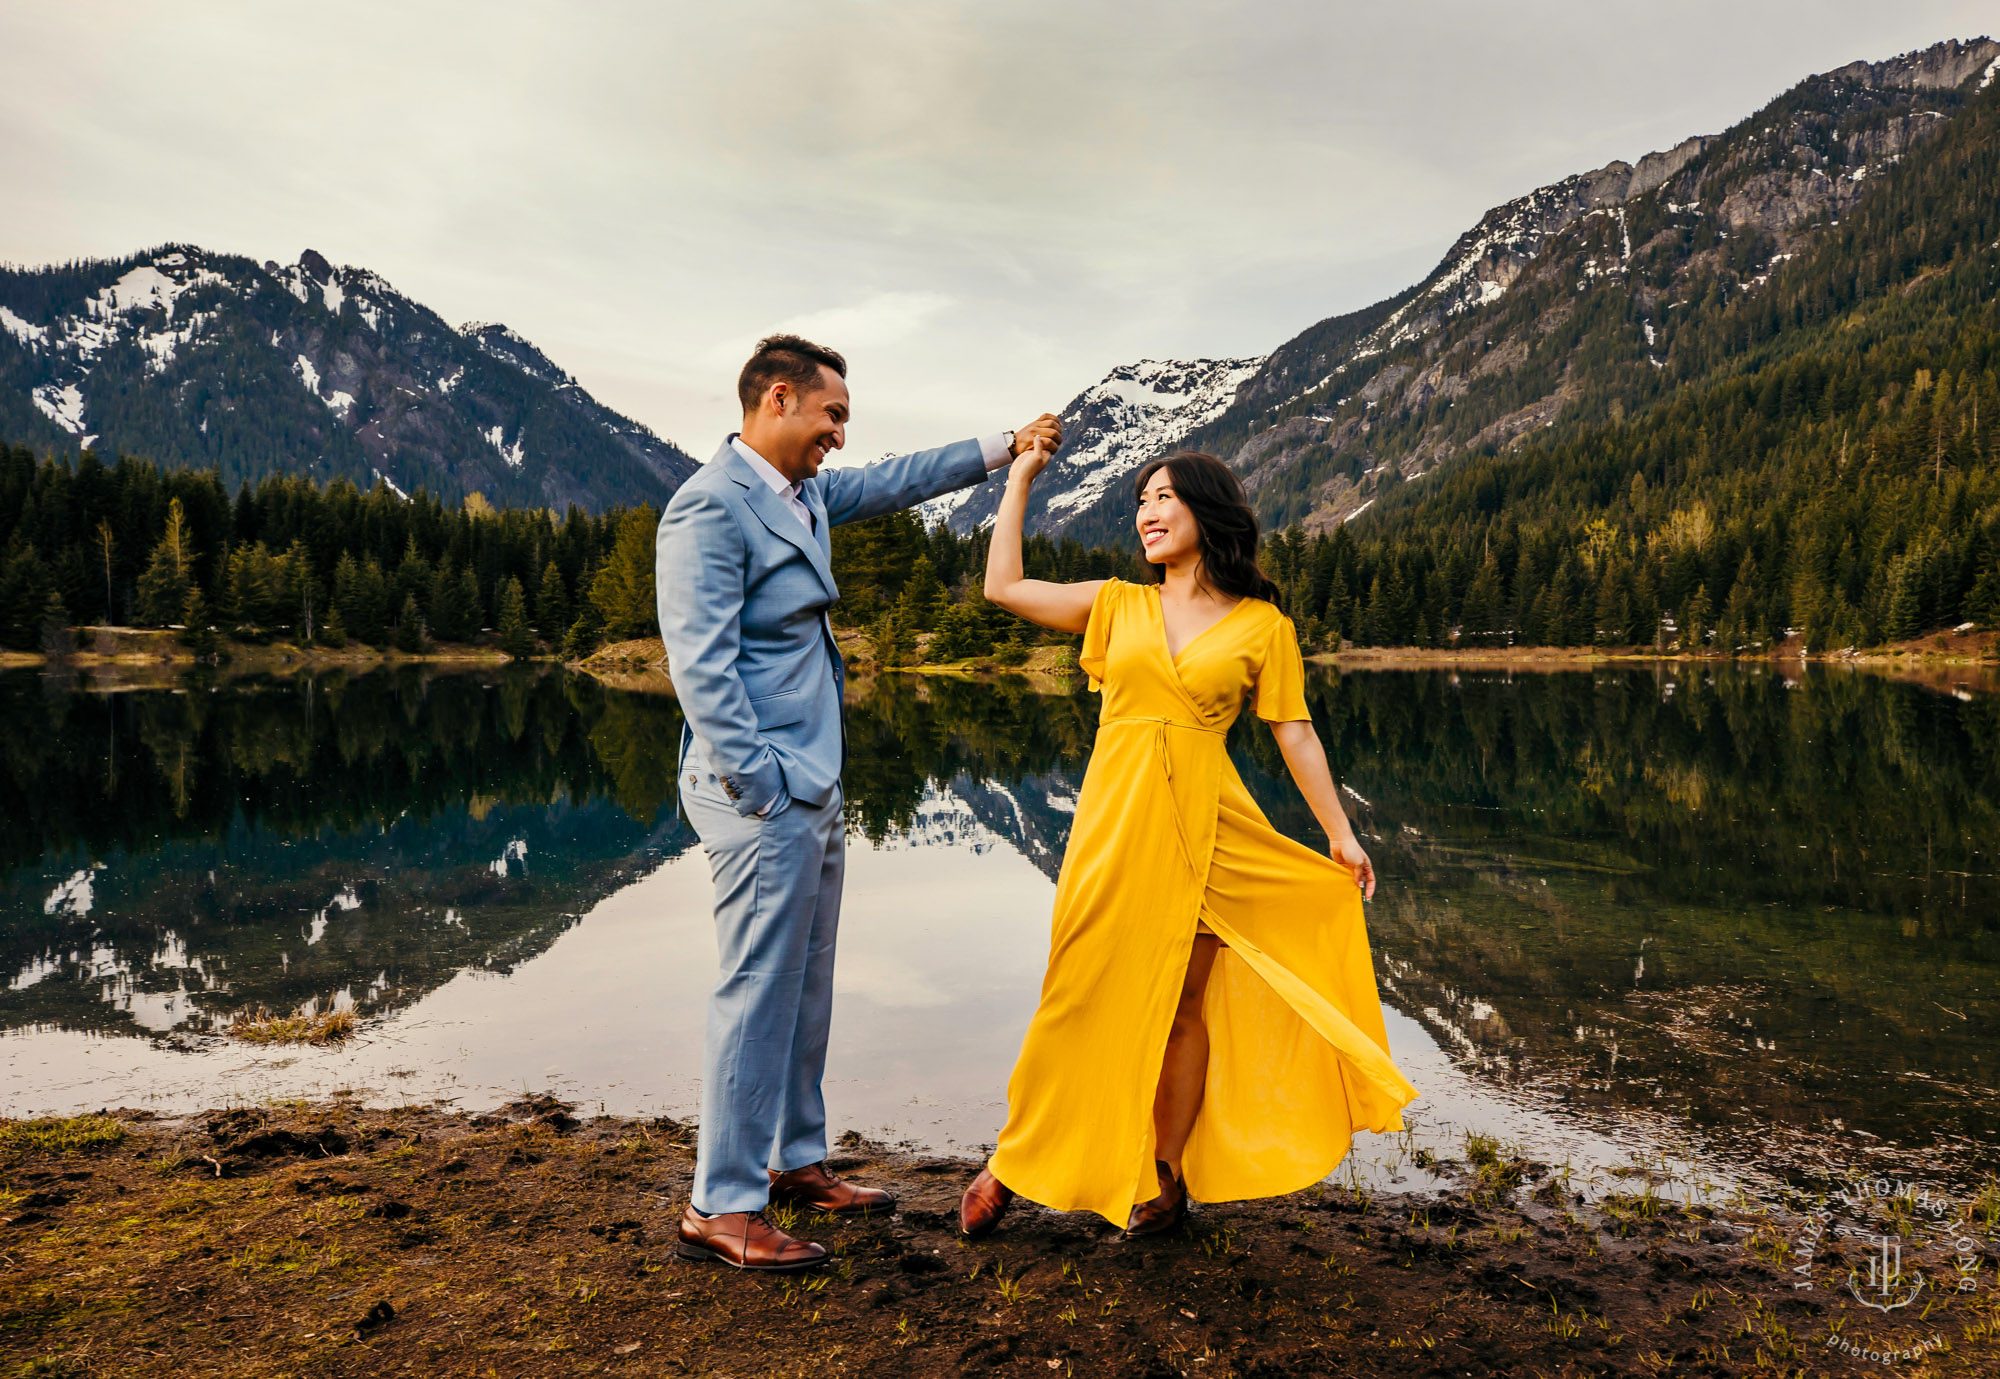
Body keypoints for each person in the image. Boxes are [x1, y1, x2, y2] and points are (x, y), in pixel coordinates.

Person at [656, 333, 1061, 1271]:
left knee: (805, 980)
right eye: (832, 414)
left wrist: (1002, 446)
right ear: (780, 399)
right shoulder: (709, 508)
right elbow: (701, 668)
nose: (842, 433)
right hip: (763, 791)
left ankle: (796, 1160)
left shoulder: (801, 496)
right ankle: (721, 1202)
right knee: (757, 989)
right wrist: (765, 787)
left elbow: (896, 480)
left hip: (811, 782)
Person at [960, 446, 1418, 1238]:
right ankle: (1016, 1158)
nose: (1147, 511)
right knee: (1076, 989)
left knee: (1182, 1008)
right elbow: (1004, 587)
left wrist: (1341, 834)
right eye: (1141, 499)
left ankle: (1166, 1175)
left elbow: (1296, 733)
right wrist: (1020, 481)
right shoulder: (1115, 604)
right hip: (1115, 820)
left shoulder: (1263, 627)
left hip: (1210, 827)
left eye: (1163, 496)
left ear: (1205, 511)